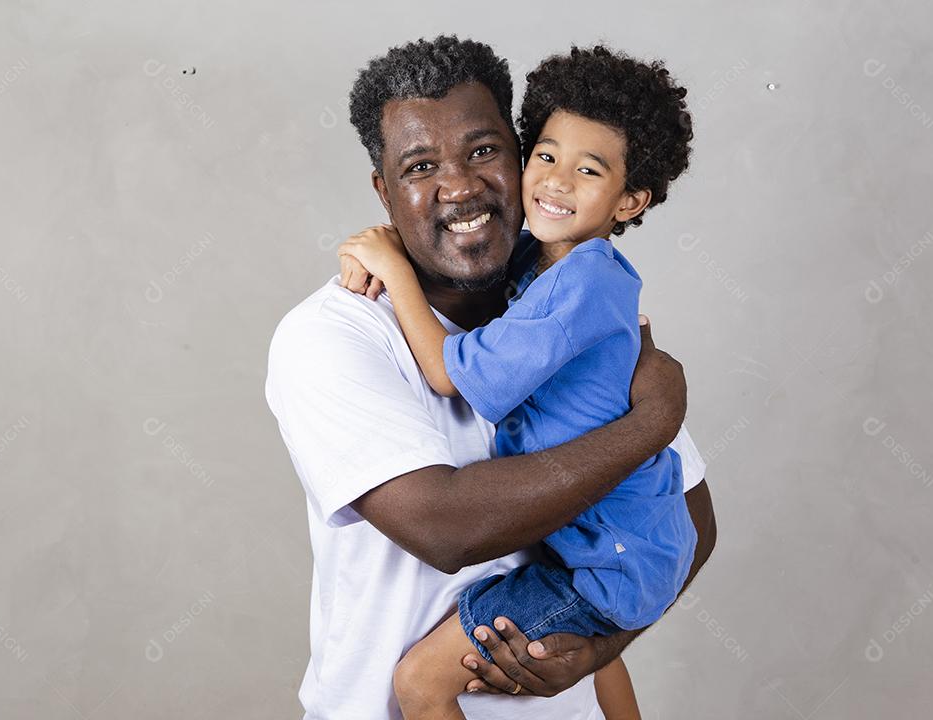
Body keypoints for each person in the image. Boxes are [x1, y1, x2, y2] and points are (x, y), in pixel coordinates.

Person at [264, 35, 716, 720]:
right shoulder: (333, 336)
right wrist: (650, 422)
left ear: (514, 152)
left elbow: (690, 521)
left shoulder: (564, 300)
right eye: (420, 166)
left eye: (483, 151)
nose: (460, 186)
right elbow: (451, 528)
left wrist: (597, 651)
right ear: (386, 195)